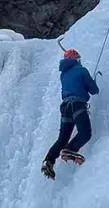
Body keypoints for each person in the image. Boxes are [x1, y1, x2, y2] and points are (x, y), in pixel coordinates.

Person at [41, 47, 98, 178]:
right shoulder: (82, 70)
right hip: (77, 105)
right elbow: (94, 89)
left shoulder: (63, 74)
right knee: (85, 134)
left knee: (62, 138)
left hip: (65, 107)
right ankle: (70, 149)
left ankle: (48, 161)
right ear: (76, 60)